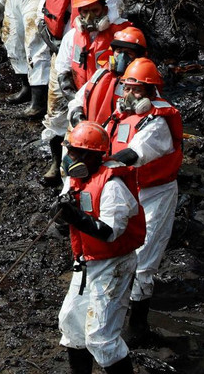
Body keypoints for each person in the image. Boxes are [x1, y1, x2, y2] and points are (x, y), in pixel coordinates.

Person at [51, 120, 144, 374]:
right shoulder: (76, 180)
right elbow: (69, 216)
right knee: (71, 324)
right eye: (69, 152)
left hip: (113, 263)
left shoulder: (113, 186)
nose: (69, 158)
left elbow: (111, 232)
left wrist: (76, 218)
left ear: (91, 156)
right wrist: (61, 217)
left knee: (101, 338)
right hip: (87, 261)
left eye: (74, 153)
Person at [101, 58, 183, 342]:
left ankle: (136, 325)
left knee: (145, 257)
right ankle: (112, 308)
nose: (130, 96)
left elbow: (136, 153)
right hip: (127, 188)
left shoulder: (157, 123)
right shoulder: (120, 114)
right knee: (112, 247)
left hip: (155, 193)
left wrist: (105, 167)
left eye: (137, 90)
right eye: (128, 88)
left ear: (151, 91)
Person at [41, 0, 129, 188]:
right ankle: (69, 188)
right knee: (70, 150)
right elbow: (63, 74)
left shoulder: (120, 36)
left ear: (105, 9)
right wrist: (78, 107)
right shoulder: (72, 38)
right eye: (85, 12)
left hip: (109, 105)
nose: (90, 18)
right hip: (79, 103)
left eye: (95, 11)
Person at [67, 26, 148, 128]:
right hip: (90, 135)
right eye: (118, 51)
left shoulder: (144, 85)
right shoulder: (101, 74)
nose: (122, 57)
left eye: (128, 53)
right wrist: (78, 119)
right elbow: (77, 101)